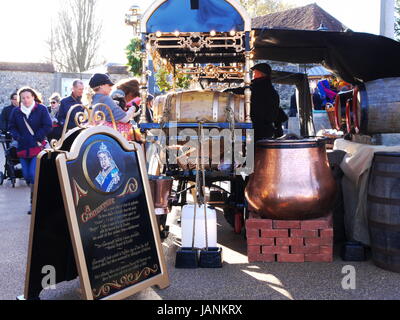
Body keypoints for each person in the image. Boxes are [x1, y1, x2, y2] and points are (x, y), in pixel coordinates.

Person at [8, 87, 52, 214]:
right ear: (20, 99)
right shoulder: (16, 111)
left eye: (28, 97)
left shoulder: (41, 109)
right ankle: (40, 196)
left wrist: (36, 137)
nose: (26, 100)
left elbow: (48, 126)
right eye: (23, 98)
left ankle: (34, 204)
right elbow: (11, 126)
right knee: (27, 176)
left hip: (37, 147)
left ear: (33, 97)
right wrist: (18, 137)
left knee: (33, 175)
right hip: (23, 148)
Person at [225, 63, 280, 141]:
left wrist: (228, 91)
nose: (253, 75)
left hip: (256, 127)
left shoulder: (257, 86)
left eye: (255, 73)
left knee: (252, 150)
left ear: (260, 74)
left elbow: (244, 90)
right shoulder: (272, 91)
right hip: (267, 128)